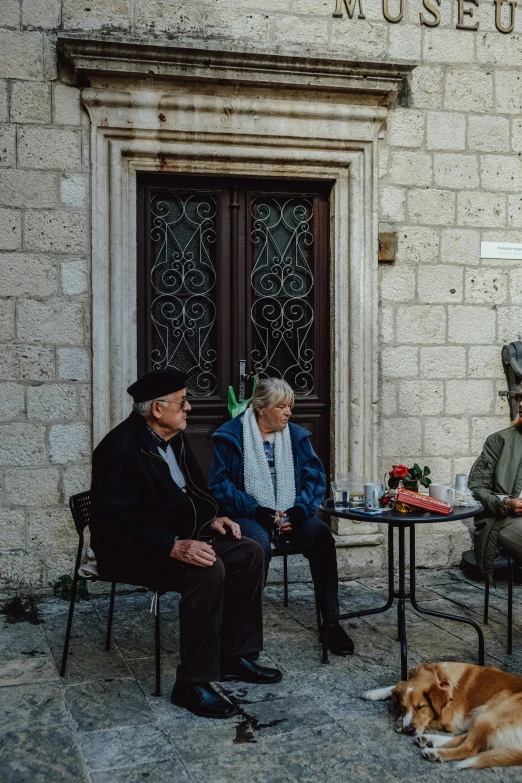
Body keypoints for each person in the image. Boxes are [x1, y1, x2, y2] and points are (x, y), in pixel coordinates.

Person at [90, 368, 282, 719]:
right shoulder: (118, 449)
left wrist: (214, 517)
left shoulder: (173, 435)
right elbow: (114, 526)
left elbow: (194, 491)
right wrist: (175, 545)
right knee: (208, 568)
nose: (189, 407)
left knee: (249, 552)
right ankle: (191, 683)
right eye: (181, 402)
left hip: (180, 536)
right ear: (156, 409)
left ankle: (233, 656)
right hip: (135, 551)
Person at [208, 377, 354, 656]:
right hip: (248, 513)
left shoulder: (296, 436)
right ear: (261, 408)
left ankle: (331, 623)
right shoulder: (230, 435)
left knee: (321, 535)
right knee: (257, 543)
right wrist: (258, 512)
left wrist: (298, 512)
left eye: (290, 406)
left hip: (290, 512)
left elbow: (315, 478)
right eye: (282, 406)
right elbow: (219, 485)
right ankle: (243, 635)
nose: (289, 412)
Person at [469, 389, 522, 583]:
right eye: (520, 397)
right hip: (505, 518)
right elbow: (477, 487)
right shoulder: (499, 440)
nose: (521, 404)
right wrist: (506, 502)